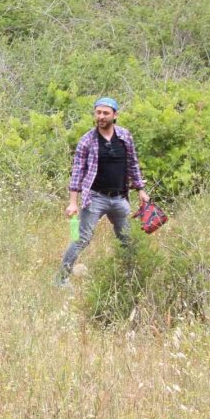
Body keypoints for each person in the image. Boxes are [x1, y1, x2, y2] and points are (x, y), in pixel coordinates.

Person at [57, 97, 149, 285]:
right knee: (81, 239)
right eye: (98, 112)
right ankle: (61, 280)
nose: (101, 116)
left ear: (115, 115)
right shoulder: (87, 140)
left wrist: (141, 189)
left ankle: (131, 278)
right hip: (95, 198)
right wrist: (73, 202)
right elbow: (77, 173)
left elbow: (133, 164)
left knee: (127, 240)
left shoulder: (125, 137)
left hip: (120, 199)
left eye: (105, 113)